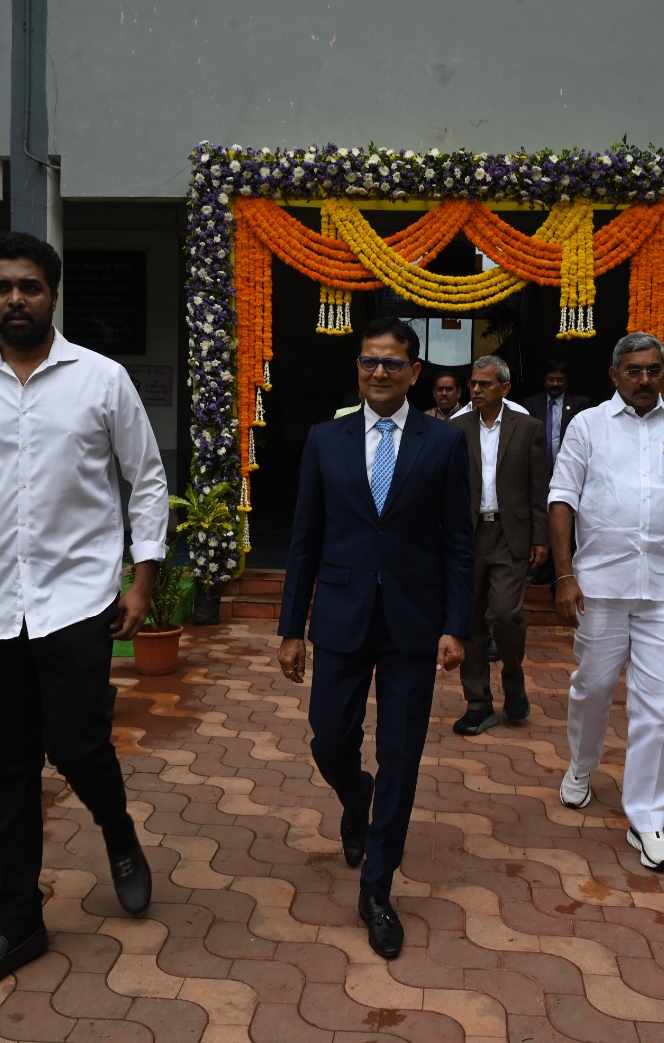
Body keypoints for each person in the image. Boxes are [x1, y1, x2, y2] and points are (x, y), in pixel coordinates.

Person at [0, 232, 169, 999]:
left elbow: (146, 480)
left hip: (76, 599)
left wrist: (142, 583)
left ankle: (117, 830)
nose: (16, 299)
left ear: (53, 294)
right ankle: (20, 922)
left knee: (79, 745)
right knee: (6, 768)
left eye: (29, 286)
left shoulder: (101, 380)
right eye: (2, 287)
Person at [277, 316, 472, 961]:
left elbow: (458, 542)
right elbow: (304, 540)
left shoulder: (444, 443)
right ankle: (353, 793)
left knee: (401, 757)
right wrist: (291, 628)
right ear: (357, 368)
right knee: (330, 739)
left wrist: (455, 624)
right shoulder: (324, 439)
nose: (379, 372)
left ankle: (377, 889)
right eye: (369, 361)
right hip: (340, 616)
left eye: (392, 363)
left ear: (414, 372)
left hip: (413, 623)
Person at [549, 332, 664, 873]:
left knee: (660, 705)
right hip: (601, 584)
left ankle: (647, 817)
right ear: (615, 375)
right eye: (635, 370)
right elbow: (562, 498)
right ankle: (582, 765)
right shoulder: (587, 425)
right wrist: (565, 575)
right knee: (592, 687)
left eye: (654, 370)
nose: (645, 379)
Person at [453, 356, 548, 735]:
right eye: (473, 383)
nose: (476, 390)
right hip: (468, 535)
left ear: (505, 388)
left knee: (507, 614)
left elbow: (539, 487)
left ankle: (513, 677)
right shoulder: (456, 429)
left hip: (511, 534)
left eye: (484, 384)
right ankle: (478, 703)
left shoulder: (528, 428)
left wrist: (540, 537)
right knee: (469, 619)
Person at [521, 360, 591, 468]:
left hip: (570, 465)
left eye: (560, 380)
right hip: (538, 466)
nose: (554, 384)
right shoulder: (531, 404)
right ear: (544, 380)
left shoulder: (580, 404)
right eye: (550, 379)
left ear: (567, 381)